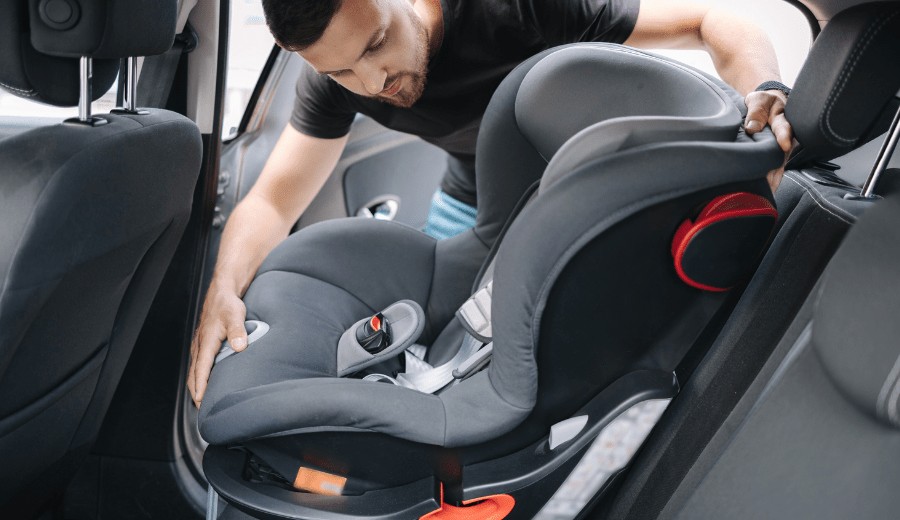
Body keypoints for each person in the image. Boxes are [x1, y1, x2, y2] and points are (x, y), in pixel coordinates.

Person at [188, 0, 794, 407]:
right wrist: (223, 291)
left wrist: (762, 94)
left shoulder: (514, 7)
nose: (374, 83)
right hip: (476, 196)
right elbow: (271, 201)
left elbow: (712, 20)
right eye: (343, 70)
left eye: (377, 45)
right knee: (438, 342)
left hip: (584, 183)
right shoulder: (335, 81)